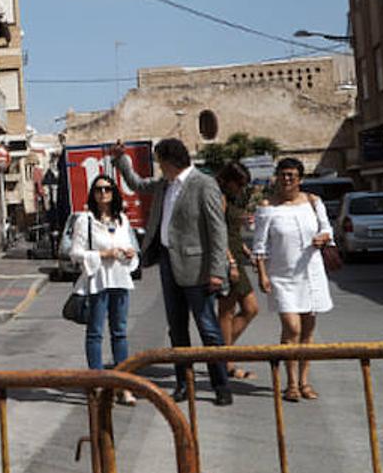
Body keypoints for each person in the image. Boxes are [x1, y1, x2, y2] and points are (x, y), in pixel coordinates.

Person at [114, 137, 233, 406]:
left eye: (159, 161)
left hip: (198, 269)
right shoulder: (164, 186)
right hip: (169, 263)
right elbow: (136, 184)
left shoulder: (204, 185)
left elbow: (217, 231)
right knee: (177, 330)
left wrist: (217, 271)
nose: (158, 167)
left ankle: (221, 385)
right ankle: (183, 383)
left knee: (208, 329)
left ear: (169, 162)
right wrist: (122, 160)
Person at [252, 157, 335, 402]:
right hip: (282, 278)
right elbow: (259, 246)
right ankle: (289, 383)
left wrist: (323, 238)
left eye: (292, 175)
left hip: (311, 275)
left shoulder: (313, 202)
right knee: (292, 328)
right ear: (277, 177)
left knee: (308, 331)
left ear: (300, 178)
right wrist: (263, 274)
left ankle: (304, 382)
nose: (287, 179)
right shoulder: (268, 207)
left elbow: (327, 230)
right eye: (283, 174)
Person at [69, 174, 140, 405]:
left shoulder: (121, 220)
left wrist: (129, 253)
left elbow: (131, 246)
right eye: (98, 189)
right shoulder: (85, 220)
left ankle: (122, 385)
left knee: (120, 332)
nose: (103, 193)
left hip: (119, 279)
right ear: (93, 194)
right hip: (97, 281)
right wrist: (103, 254)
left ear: (114, 192)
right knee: (95, 333)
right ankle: (98, 383)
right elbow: (75, 253)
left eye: (107, 189)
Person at [216, 161, 261, 381]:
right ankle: (225, 362)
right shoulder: (220, 197)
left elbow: (233, 231)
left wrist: (246, 251)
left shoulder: (234, 197)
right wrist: (230, 262)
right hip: (226, 260)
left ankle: (220, 353)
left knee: (251, 308)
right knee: (227, 312)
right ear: (228, 180)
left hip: (236, 255)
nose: (241, 188)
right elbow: (218, 233)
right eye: (239, 183)